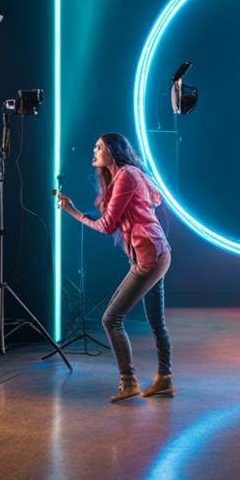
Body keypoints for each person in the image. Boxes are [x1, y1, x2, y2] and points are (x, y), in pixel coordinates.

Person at [56, 133, 173, 403]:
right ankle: (164, 379)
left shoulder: (127, 175)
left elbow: (107, 225)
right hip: (155, 253)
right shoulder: (125, 176)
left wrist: (73, 212)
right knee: (156, 322)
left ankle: (128, 381)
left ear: (112, 150)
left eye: (99, 146)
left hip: (150, 257)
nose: (94, 150)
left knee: (111, 319)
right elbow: (151, 202)